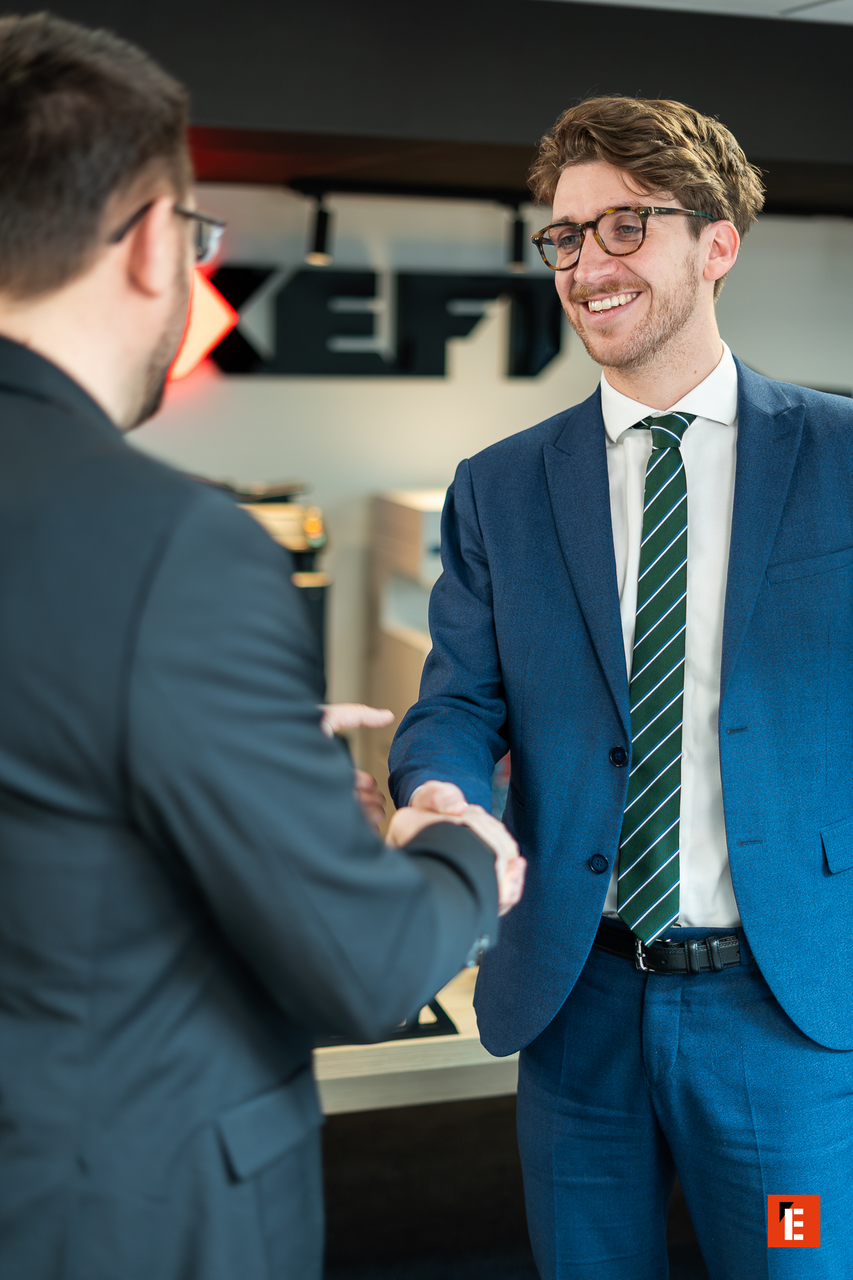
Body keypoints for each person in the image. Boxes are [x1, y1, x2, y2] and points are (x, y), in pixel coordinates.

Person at [0, 14, 526, 1280]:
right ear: (143, 244)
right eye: (195, 237)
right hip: (114, 1214)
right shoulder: (173, 544)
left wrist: (218, 746)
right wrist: (456, 847)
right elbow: (362, 963)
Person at [389, 95, 853, 1279]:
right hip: (575, 998)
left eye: (624, 227)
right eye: (565, 236)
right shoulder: (499, 486)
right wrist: (437, 789)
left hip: (784, 1008)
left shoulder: (840, 456)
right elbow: (455, 700)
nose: (586, 264)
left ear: (716, 243)